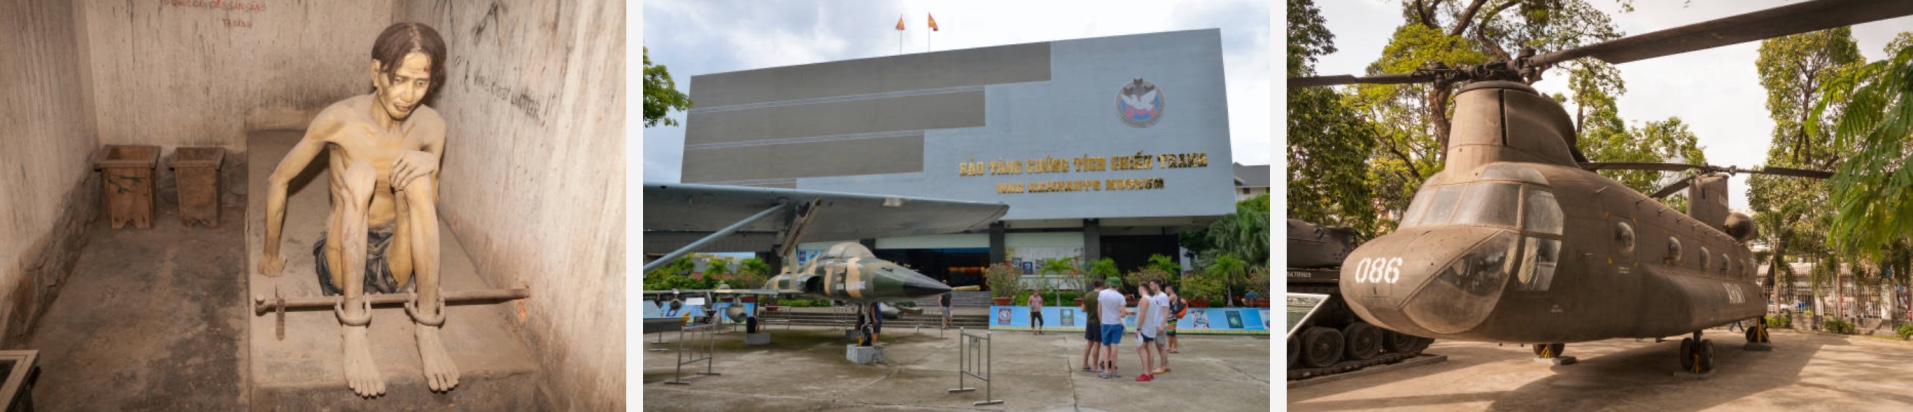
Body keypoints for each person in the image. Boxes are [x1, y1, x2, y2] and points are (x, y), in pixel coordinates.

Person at [259, 22, 455, 396]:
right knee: (361, 174)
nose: (408, 95)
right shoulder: (340, 119)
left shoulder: (432, 126)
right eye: (398, 79)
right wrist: (270, 253)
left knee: (417, 178)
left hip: (396, 260)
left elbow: (427, 208)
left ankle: (427, 327)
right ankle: (353, 329)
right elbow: (278, 179)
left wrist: (430, 169)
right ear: (376, 73)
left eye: (420, 83)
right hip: (340, 257)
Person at [1097, 279, 1128, 379]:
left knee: (1105, 347)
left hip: (1105, 323)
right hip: (1116, 324)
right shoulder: (1120, 297)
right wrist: (1118, 313)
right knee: (1114, 346)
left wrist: (1101, 320)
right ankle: (1113, 371)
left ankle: (1105, 371)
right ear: (1118, 286)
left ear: (1109, 284)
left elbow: (1099, 309)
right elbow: (1123, 314)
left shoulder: (1102, 293)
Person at [1133, 281, 1161, 382]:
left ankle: (1146, 372)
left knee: (1141, 348)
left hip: (1145, 328)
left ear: (1141, 288)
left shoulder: (1144, 300)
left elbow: (1142, 314)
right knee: (1149, 348)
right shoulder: (1152, 299)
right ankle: (1149, 372)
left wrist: (1138, 329)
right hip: (1151, 327)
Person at [1082, 280, 1104, 373]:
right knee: (1097, 344)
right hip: (1098, 322)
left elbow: (1083, 309)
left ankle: (1085, 363)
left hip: (1089, 321)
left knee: (1089, 343)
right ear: (1102, 286)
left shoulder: (1087, 295)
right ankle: (1095, 366)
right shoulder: (1102, 295)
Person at [1166, 284, 1187, 353]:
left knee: (1172, 333)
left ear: (1170, 289)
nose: (1166, 291)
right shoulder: (1172, 296)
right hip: (1170, 317)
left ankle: (1175, 348)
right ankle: (1169, 347)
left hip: (1172, 317)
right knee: (1169, 333)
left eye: (1166, 289)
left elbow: (1164, 302)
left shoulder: (1172, 296)